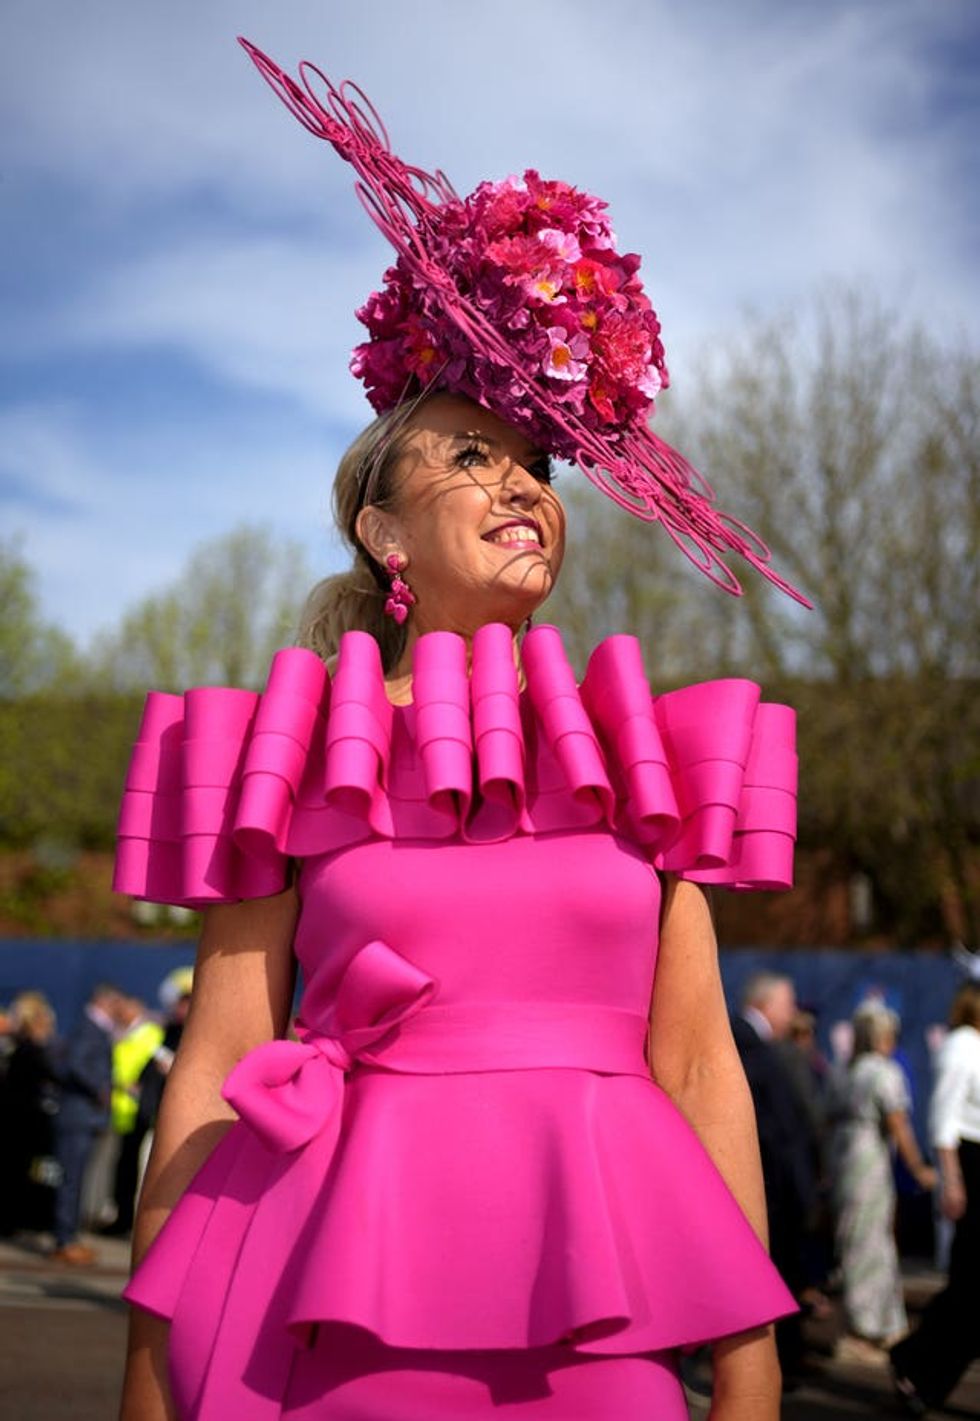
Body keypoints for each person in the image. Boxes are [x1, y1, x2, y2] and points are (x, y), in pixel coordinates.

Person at [115, 40, 808, 1421]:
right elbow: (213, 1065)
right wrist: (151, 1359)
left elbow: (695, 1064)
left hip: (602, 1317)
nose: (525, 487)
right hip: (326, 1307)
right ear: (383, 530)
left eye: (540, 464)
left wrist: (750, 1356)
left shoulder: (645, 751)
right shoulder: (293, 745)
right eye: (473, 456)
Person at [890, 981, 980, 1414]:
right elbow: (944, 1117)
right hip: (970, 1165)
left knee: (969, 1287)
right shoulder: (962, 1044)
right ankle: (916, 1367)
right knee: (968, 1286)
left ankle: (916, 1363)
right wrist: (953, 1179)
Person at [829, 1003, 936, 1365]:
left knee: (858, 1241)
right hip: (869, 1165)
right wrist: (920, 1168)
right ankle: (865, 1332)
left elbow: (824, 1121)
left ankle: (878, 1324)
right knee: (870, 1245)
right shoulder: (883, 1072)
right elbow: (899, 1125)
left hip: (845, 1163)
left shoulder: (845, 1070)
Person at [731, 973, 816, 1382]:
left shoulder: (761, 1046)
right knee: (769, 1271)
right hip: (766, 1181)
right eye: (789, 1004)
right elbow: (773, 1126)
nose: (793, 1012)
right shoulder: (749, 1044)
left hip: (771, 1179)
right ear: (767, 1004)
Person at [50, 982, 124, 1264]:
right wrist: (100, 1088)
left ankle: (69, 1236)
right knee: (71, 1179)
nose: (120, 1008)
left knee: (77, 1179)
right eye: (116, 1002)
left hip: (84, 1115)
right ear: (105, 1001)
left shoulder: (93, 1028)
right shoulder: (89, 1028)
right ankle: (65, 1239)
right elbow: (76, 1064)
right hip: (78, 1115)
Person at [0, 991, 60, 1236]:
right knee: (16, 1171)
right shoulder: (28, 1049)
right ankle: (11, 1221)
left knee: (16, 1170)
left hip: (18, 1119)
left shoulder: (21, 1048)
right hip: (20, 1120)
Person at [105, 996, 165, 1237]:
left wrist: (137, 1086)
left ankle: (128, 1221)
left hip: (137, 1110)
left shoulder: (149, 1033)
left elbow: (160, 1063)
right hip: (121, 1109)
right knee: (121, 1166)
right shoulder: (124, 1033)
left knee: (134, 1168)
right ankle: (120, 1216)